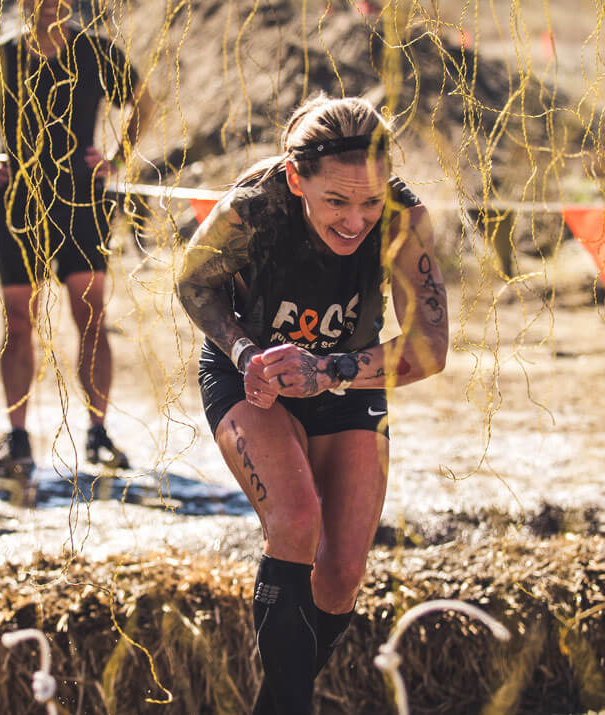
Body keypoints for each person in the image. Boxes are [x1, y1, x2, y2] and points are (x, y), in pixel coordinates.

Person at [175, 94, 450, 713]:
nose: (356, 220)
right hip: (256, 378)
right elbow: (193, 281)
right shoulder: (251, 208)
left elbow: (430, 346)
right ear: (298, 179)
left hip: (348, 379)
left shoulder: (404, 218)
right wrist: (247, 354)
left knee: (341, 572)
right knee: (296, 522)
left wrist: (331, 369)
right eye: (336, 201)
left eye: (369, 202)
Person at [0, 0, 154, 476]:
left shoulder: (96, 51)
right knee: (18, 321)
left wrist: (117, 161)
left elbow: (143, 99)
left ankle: (98, 434)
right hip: (18, 204)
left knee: (90, 317)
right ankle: (18, 441)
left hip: (83, 202)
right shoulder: (0, 57)